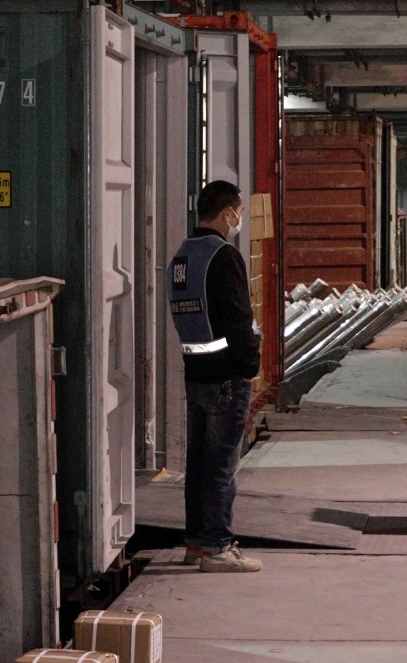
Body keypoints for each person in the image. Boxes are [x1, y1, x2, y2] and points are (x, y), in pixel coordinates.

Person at [167, 180, 264, 572]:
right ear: (228, 214)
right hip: (227, 378)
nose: (239, 219)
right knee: (223, 466)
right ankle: (218, 548)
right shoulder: (224, 255)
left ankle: (195, 542)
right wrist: (249, 367)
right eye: (238, 213)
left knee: (200, 466)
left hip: (196, 375)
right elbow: (238, 320)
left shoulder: (183, 256)